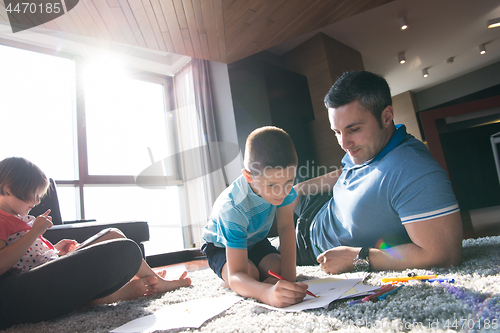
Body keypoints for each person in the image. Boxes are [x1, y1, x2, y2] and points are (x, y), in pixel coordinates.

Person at [289, 71, 463, 274]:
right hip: (320, 207)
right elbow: (349, 173)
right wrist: (300, 189)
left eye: (353, 129)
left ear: (387, 116)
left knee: (253, 253)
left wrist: (358, 257)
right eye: (337, 132)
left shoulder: (414, 171)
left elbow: (445, 255)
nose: (344, 144)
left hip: (311, 246)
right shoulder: (370, 148)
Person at [0, 157, 191, 329]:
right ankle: (115, 294)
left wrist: (56, 249)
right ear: (8, 188)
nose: (36, 201)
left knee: (114, 235)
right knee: (125, 250)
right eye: (32, 195)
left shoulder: (19, 218)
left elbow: (29, 256)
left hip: (49, 267)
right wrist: (35, 232)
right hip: (29, 288)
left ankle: (150, 282)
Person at [201, 126, 308, 308]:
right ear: (249, 177)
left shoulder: (283, 186)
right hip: (220, 246)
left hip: (256, 240)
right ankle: (226, 277)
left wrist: (289, 279)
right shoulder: (232, 207)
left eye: (289, 182)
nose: (282, 192)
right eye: (272, 185)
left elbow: (285, 227)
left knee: (280, 270)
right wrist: (266, 293)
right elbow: (237, 275)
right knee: (248, 275)